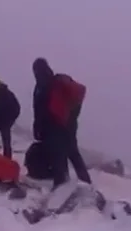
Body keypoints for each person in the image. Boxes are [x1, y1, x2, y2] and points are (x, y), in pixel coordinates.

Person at [32, 57, 92, 188]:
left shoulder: (50, 84)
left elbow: (39, 109)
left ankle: (62, 184)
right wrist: (71, 119)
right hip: (64, 125)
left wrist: (38, 126)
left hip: (56, 126)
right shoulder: (48, 83)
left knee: (59, 154)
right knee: (71, 152)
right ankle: (85, 181)